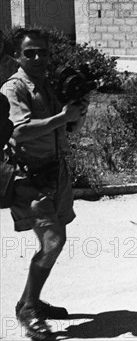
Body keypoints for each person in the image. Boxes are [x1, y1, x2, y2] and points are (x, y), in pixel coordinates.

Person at [1, 28, 89, 341]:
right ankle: (28, 310)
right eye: (30, 53)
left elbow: (69, 127)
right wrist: (60, 118)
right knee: (52, 242)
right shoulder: (13, 88)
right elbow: (19, 131)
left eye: (43, 52)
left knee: (55, 240)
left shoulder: (47, 84)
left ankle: (31, 300)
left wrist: (77, 113)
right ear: (17, 55)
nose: (38, 58)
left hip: (56, 173)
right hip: (29, 177)